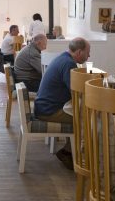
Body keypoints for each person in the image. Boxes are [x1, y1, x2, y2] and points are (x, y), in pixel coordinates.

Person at [34, 37, 91, 168]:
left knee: (82, 114)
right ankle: (76, 156)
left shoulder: (63, 58)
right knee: (88, 119)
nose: (89, 55)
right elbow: (75, 92)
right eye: (87, 52)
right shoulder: (68, 64)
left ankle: (69, 151)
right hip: (49, 111)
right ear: (79, 52)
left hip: (44, 107)